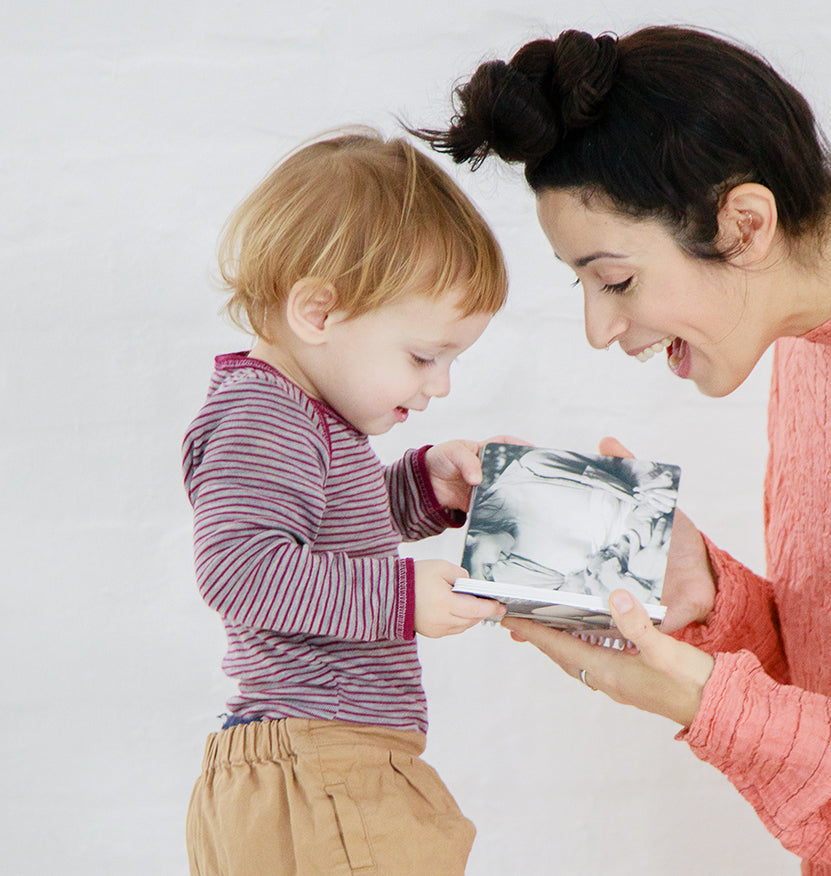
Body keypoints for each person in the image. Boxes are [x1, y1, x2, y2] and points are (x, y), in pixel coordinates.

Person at [415, 25, 831, 874]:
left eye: (615, 279)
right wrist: (709, 592)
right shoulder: (817, 340)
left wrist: (719, 708)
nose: (600, 328)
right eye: (583, 284)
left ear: (744, 223)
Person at [181, 130, 508, 875]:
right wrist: (400, 598)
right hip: (318, 761)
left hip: (320, 761)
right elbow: (241, 570)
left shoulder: (304, 416)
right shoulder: (264, 415)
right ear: (319, 314)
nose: (439, 385)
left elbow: (324, 530)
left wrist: (426, 488)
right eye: (424, 356)